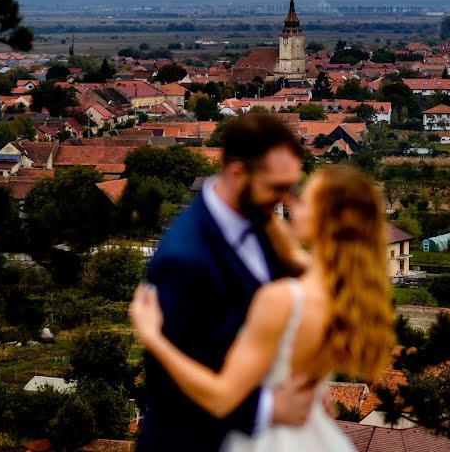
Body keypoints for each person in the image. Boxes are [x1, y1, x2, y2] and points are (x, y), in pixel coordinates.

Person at [130, 165, 394, 451]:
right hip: (314, 435)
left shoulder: (282, 299)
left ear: (326, 219)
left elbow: (221, 398)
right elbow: (293, 256)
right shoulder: (348, 295)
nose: (292, 205)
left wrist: (154, 339)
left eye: (304, 201)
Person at [137, 113, 317, 451]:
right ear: (238, 172)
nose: (286, 200)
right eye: (277, 187)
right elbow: (169, 387)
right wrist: (269, 409)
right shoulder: (183, 258)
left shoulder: (261, 221)